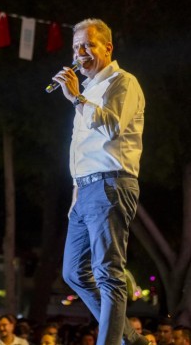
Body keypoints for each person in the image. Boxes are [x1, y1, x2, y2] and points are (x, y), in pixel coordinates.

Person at [51, 18, 147, 345]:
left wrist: (77, 99)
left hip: (110, 184)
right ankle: (132, 340)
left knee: (108, 275)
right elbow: (82, 148)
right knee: (73, 272)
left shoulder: (123, 82)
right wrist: (75, 192)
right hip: (84, 190)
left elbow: (112, 128)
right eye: (77, 47)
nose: (81, 52)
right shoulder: (88, 90)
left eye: (89, 45)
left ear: (107, 47)